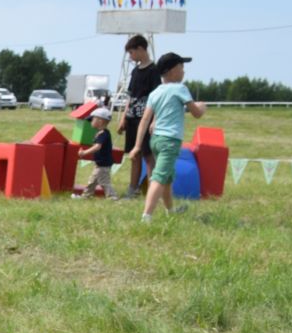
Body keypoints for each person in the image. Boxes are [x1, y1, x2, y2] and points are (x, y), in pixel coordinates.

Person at [130, 52, 205, 221]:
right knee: (159, 178)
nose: (184, 72)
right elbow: (196, 113)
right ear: (172, 71)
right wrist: (202, 106)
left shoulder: (156, 92)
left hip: (155, 140)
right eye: (181, 68)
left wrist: (137, 145)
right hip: (170, 141)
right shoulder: (181, 88)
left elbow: (145, 120)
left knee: (167, 178)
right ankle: (146, 216)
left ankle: (170, 211)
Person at [116, 35, 160, 196]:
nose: (130, 57)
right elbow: (130, 97)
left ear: (141, 49)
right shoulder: (135, 71)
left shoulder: (154, 70)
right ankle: (132, 190)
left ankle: (153, 190)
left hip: (146, 119)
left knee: (148, 156)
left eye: (131, 53)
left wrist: (154, 120)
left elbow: (157, 98)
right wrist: (124, 117)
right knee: (134, 155)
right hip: (132, 119)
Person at [76, 104, 116, 197]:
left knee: (104, 182)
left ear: (100, 121)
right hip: (100, 163)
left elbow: (97, 147)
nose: (91, 122)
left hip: (103, 164)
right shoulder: (101, 133)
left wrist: (84, 153)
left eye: (93, 119)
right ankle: (86, 195)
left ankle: (112, 197)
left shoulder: (103, 134)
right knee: (92, 181)